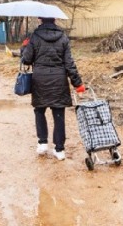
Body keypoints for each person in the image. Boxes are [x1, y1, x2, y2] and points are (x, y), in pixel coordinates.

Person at [22, 17, 85, 161]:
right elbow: (70, 63)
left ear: (40, 20)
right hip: (59, 80)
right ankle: (59, 150)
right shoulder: (63, 37)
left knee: (39, 111)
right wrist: (78, 84)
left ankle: (43, 143)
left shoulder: (34, 37)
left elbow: (26, 60)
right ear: (54, 19)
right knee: (59, 114)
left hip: (40, 80)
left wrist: (25, 47)